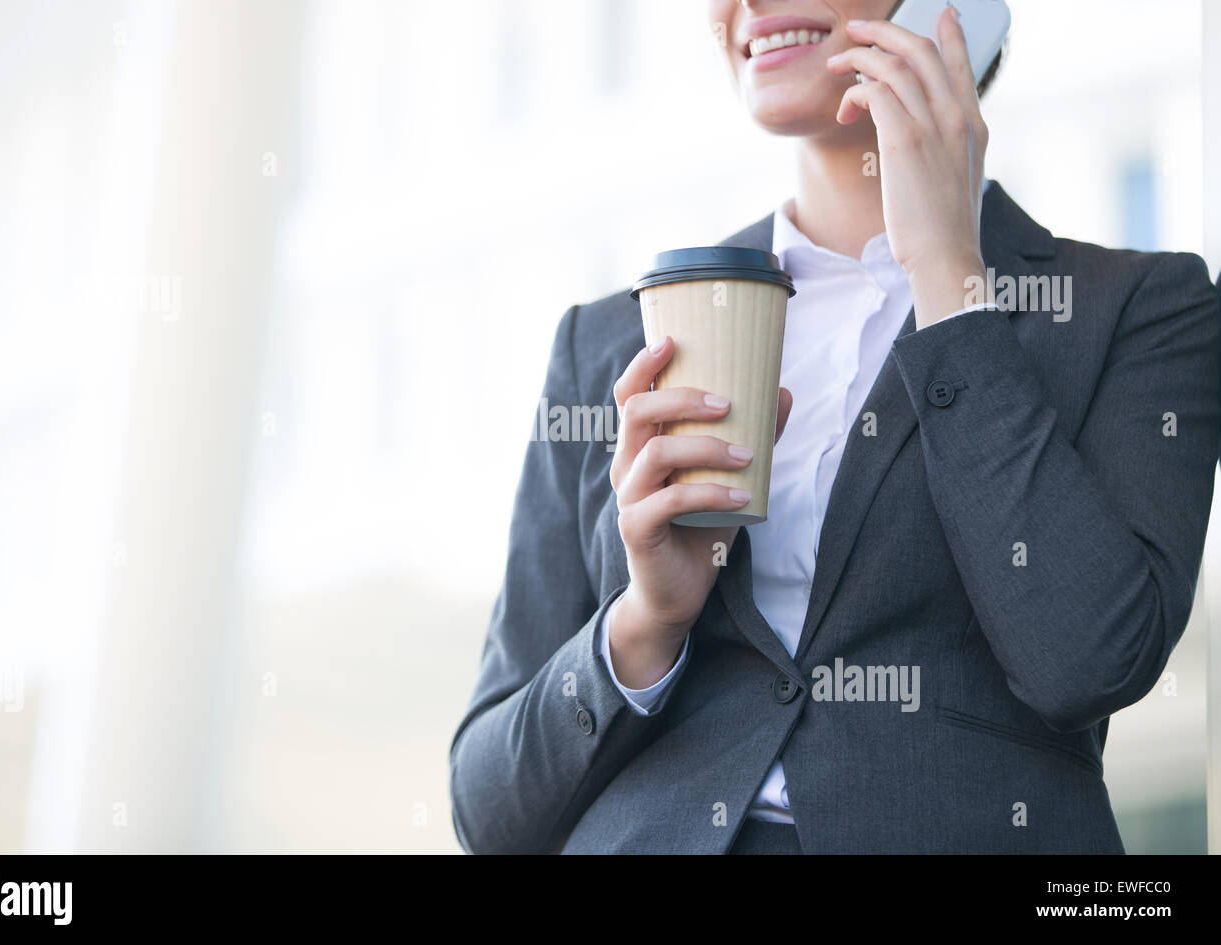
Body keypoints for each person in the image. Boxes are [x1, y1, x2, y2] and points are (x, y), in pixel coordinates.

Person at [449, 0, 1221, 854]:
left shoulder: (1142, 309)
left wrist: (949, 279)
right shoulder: (610, 338)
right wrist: (646, 619)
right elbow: (490, 812)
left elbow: (1087, 662)